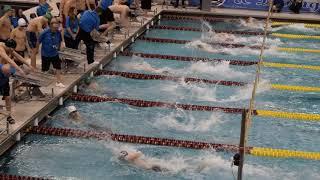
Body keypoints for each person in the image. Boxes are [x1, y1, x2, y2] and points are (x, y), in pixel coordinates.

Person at [38, 17, 65, 88]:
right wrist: (35, 51)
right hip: (45, 54)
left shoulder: (58, 32)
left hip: (54, 53)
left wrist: (59, 48)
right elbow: (38, 42)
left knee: (58, 67)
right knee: (44, 69)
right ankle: (43, 82)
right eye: (54, 28)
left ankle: (58, 82)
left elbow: (60, 41)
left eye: (57, 28)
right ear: (50, 26)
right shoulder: (44, 33)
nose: (55, 29)